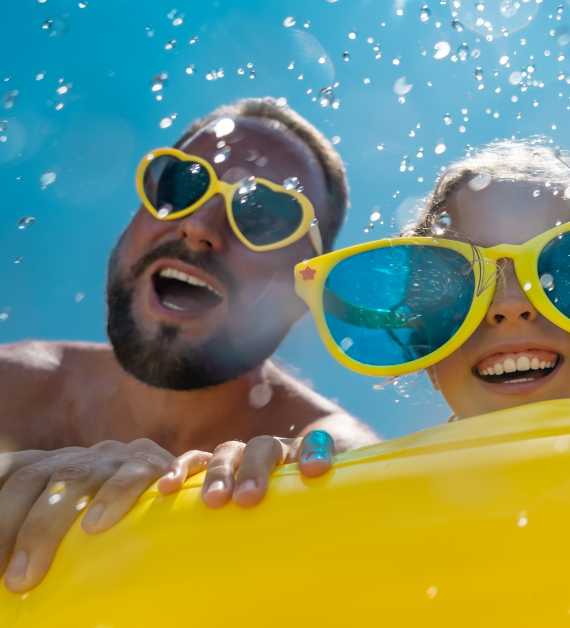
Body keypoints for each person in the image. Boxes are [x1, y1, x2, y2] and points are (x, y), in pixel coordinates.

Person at [0, 97, 379, 593]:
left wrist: (311, 477)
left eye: (263, 215)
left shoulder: (320, 447)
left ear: (303, 289)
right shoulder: (13, 387)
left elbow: (362, 477)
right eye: (181, 186)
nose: (199, 227)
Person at [278, 138, 570, 436]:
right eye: (460, 286)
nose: (508, 306)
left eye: (558, 278)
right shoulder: (379, 508)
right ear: (426, 353)